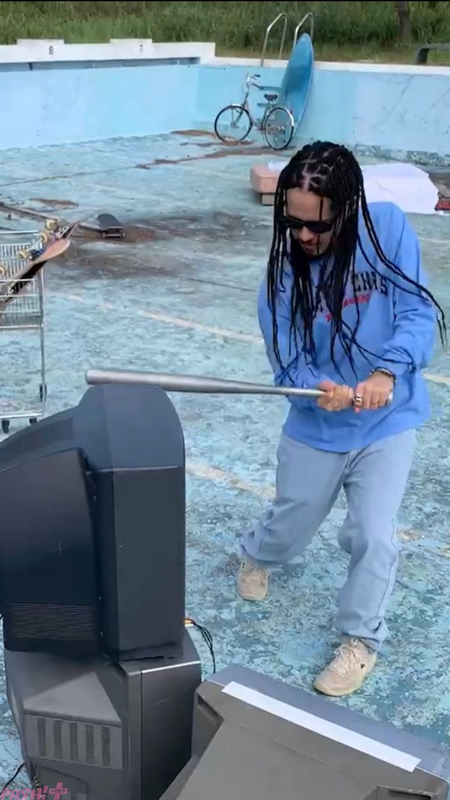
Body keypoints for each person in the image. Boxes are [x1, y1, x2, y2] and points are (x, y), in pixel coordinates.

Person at [237, 141, 445, 697]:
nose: (304, 236)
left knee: (374, 534)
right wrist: (316, 390)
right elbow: (287, 361)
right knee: (291, 524)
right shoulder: (282, 276)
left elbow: (416, 310)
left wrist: (387, 372)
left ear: (349, 209)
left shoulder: (389, 228)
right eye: (293, 222)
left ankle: (361, 640)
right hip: (319, 424)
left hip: (387, 418)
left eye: (318, 225)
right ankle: (257, 553)